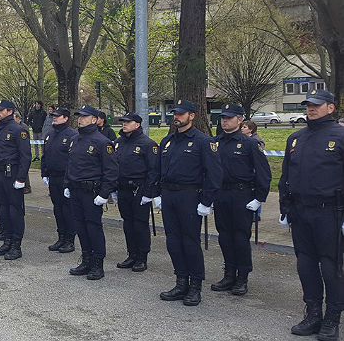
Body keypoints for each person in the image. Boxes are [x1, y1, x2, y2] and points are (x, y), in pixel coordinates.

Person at [280, 89, 344, 340]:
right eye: (308, 105)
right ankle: (313, 313)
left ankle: (332, 318)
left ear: (331, 107)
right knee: (305, 264)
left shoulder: (340, 136)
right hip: (301, 211)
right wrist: (285, 207)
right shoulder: (296, 138)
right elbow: (285, 176)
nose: (311, 108)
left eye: (317, 105)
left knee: (330, 266)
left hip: (330, 212)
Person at [156, 100, 222, 306]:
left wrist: (206, 201)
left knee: (190, 243)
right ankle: (181, 281)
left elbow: (214, 173)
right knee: (173, 242)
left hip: (189, 196)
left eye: (181, 113)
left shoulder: (203, 141)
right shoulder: (167, 141)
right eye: (175, 113)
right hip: (169, 196)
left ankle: (195, 286)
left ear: (192, 116)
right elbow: (159, 170)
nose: (177, 116)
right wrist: (158, 193)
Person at [211, 104, 271, 296]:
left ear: (239, 120)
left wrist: (259, 198)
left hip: (241, 195)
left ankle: (242, 277)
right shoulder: (216, 142)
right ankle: (229, 274)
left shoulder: (249, 144)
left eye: (229, 118)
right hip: (221, 194)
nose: (225, 121)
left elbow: (264, 173)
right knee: (224, 236)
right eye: (223, 118)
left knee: (240, 237)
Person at [64, 105, 119, 280]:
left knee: (93, 228)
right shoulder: (75, 139)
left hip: (91, 192)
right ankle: (86, 259)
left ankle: (97, 263)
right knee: (80, 226)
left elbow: (111, 171)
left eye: (85, 117)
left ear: (94, 120)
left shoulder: (102, 142)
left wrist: (104, 194)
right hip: (76, 190)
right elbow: (70, 165)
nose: (80, 119)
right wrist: (67, 184)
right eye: (79, 116)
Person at [115, 113, 159, 273]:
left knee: (140, 224)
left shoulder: (147, 144)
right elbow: (115, 167)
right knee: (127, 223)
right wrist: (114, 189)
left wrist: (149, 192)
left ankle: (142, 257)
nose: (124, 124)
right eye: (123, 122)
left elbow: (154, 171)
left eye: (128, 122)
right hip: (123, 189)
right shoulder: (118, 143)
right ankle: (131, 254)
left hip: (139, 189)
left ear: (138, 124)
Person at [0, 100, 32, 260]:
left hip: (12, 174)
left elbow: (25, 157)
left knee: (15, 211)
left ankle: (16, 245)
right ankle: (6, 241)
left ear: (10, 111)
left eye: (1, 110)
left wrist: (21, 178)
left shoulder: (18, 130)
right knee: (3, 209)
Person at [41, 108, 77, 253]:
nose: (54, 118)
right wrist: (44, 172)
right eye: (53, 116)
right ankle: (61, 237)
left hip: (65, 177)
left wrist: (70, 179)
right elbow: (45, 155)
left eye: (57, 116)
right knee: (58, 209)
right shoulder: (50, 134)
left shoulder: (72, 135)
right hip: (53, 177)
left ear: (66, 118)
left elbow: (73, 159)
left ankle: (70, 240)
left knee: (67, 209)